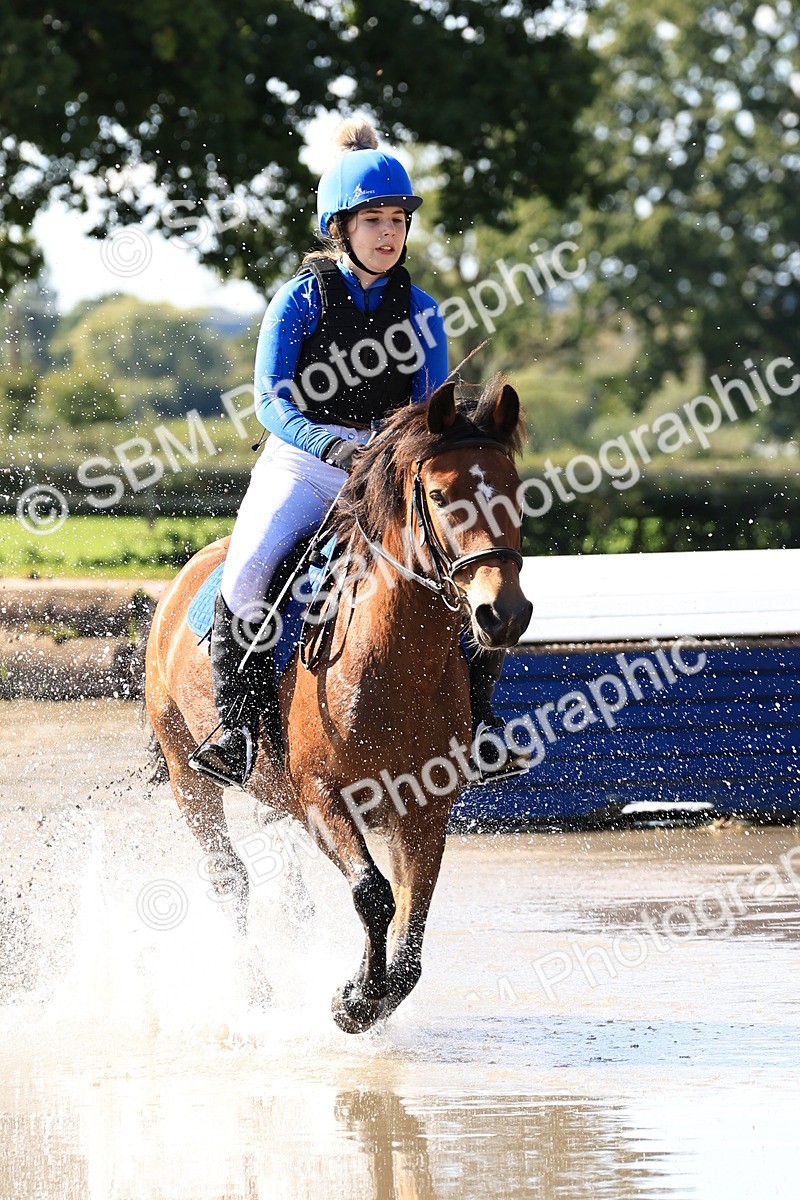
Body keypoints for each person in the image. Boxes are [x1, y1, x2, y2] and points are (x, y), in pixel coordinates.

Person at [191, 119, 527, 789]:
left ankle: (481, 722)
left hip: (387, 472)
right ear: (340, 227)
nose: (388, 232)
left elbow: (432, 414)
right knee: (248, 573)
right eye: (373, 219)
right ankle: (237, 728)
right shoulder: (299, 299)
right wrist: (329, 444)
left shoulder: (422, 311)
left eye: (398, 220)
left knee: (468, 568)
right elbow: (269, 401)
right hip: (301, 462)